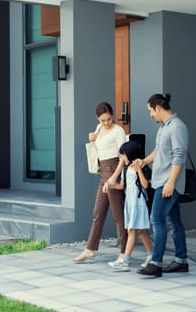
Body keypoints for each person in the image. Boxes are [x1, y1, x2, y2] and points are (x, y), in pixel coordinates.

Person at [136, 93, 189, 277]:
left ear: (158, 107)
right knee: (174, 222)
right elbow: (158, 152)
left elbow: (179, 156)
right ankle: (181, 261)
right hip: (161, 181)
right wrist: (143, 162)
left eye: (150, 110)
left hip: (167, 183)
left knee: (156, 220)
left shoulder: (177, 127)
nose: (150, 114)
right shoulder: (163, 127)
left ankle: (156, 263)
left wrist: (171, 183)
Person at [73, 102, 128, 263]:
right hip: (103, 172)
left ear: (112, 115)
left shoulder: (118, 131)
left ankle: (124, 252)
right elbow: (98, 150)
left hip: (114, 172)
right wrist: (92, 139)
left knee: (119, 216)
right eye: (103, 120)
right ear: (98, 118)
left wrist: (114, 178)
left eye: (109, 119)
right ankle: (90, 249)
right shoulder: (98, 128)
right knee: (97, 213)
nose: (106, 122)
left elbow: (123, 157)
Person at [107, 141, 154, 272]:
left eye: (123, 155)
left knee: (132, 230)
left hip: (139, 203)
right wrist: (111, 185)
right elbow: (122, 186)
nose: (121, 157)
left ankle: (125, 261)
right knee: (141, 231)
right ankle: (152, 254)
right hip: (130, 202)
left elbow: (145, 185)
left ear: (130, 154)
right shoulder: (126, 168)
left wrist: (139, 170)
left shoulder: (142, 167)